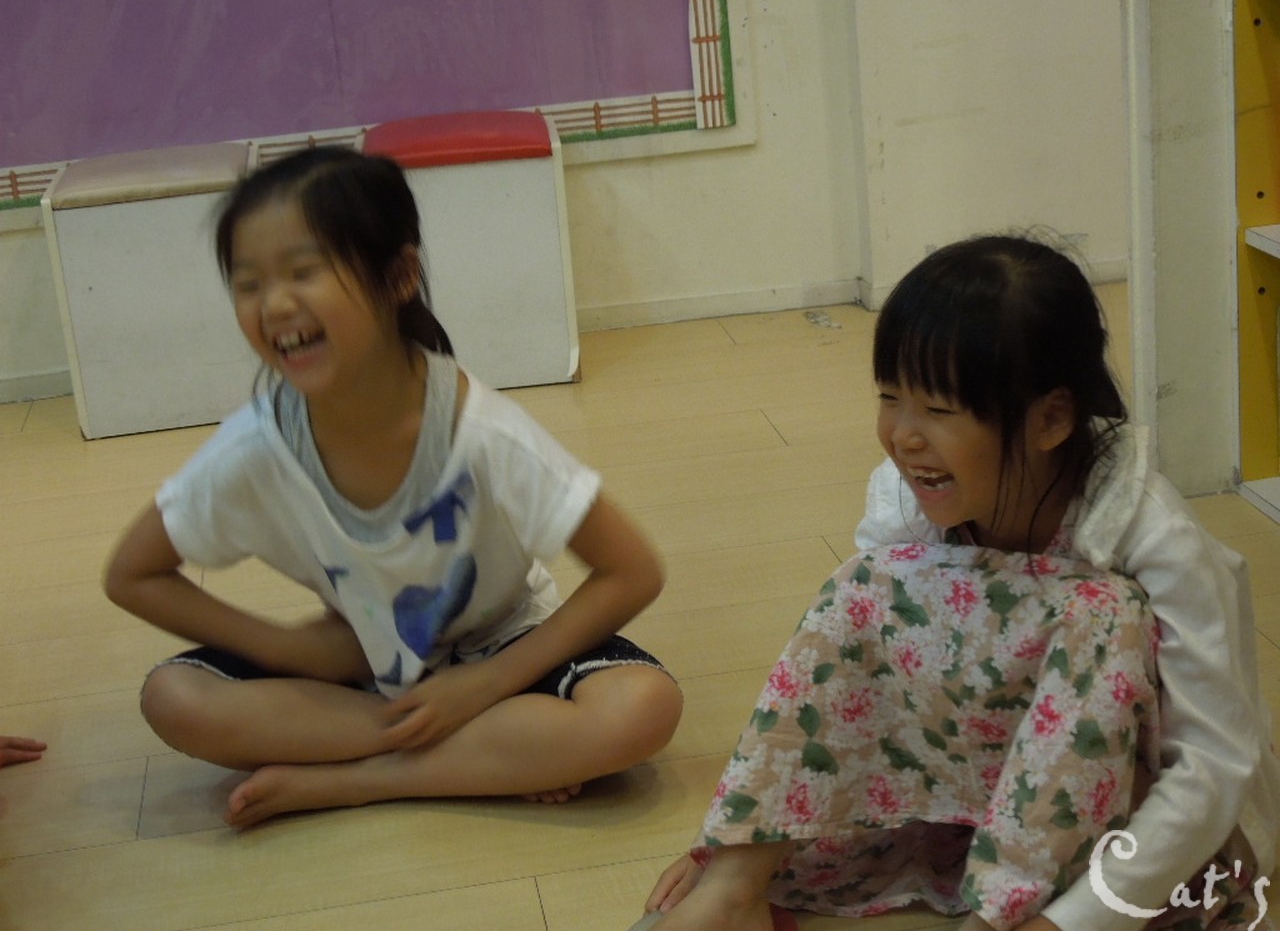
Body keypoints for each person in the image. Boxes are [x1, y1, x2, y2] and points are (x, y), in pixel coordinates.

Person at [636, 235, 1279, 931]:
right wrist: (736, 838)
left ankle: (1009, 913)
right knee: (863, 588)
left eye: (939, 411)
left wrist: (1071, 921)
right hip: (976, 805)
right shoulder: (903, 502)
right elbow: (858, 686)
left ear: (1051, 419)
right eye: (890, 399)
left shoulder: (1155, 535)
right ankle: (734, 889)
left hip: (1140, 830)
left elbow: (1213, 767)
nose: (904, 436)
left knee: (1103, 613)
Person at [103, 146, 682, 830]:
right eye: (248, 283)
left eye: (305, 271)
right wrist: (289, 649)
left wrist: (487, 685)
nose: (275, 304)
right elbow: (133, 574)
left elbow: (633, 571)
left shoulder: (481, 433)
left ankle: (359, 780)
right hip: (360, 669)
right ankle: (493, 755)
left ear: (399, 275)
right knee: (175, 697)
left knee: (643, 706)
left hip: (502, 651)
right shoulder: (256, 447)